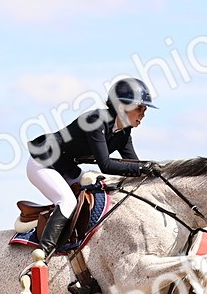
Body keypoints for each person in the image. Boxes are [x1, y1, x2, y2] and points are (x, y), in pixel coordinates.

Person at [26, 77, 163, 257]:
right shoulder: (96, 121)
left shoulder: (123, 132)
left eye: (145, 110)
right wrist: (141, 168)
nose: (143, 114)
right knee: (67, 201)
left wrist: (155, 170)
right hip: (43, 163)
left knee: (101, 187)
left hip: (66, 168)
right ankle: (43, 254)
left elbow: (133, 163)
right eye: (140, 108)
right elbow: (105, 164)